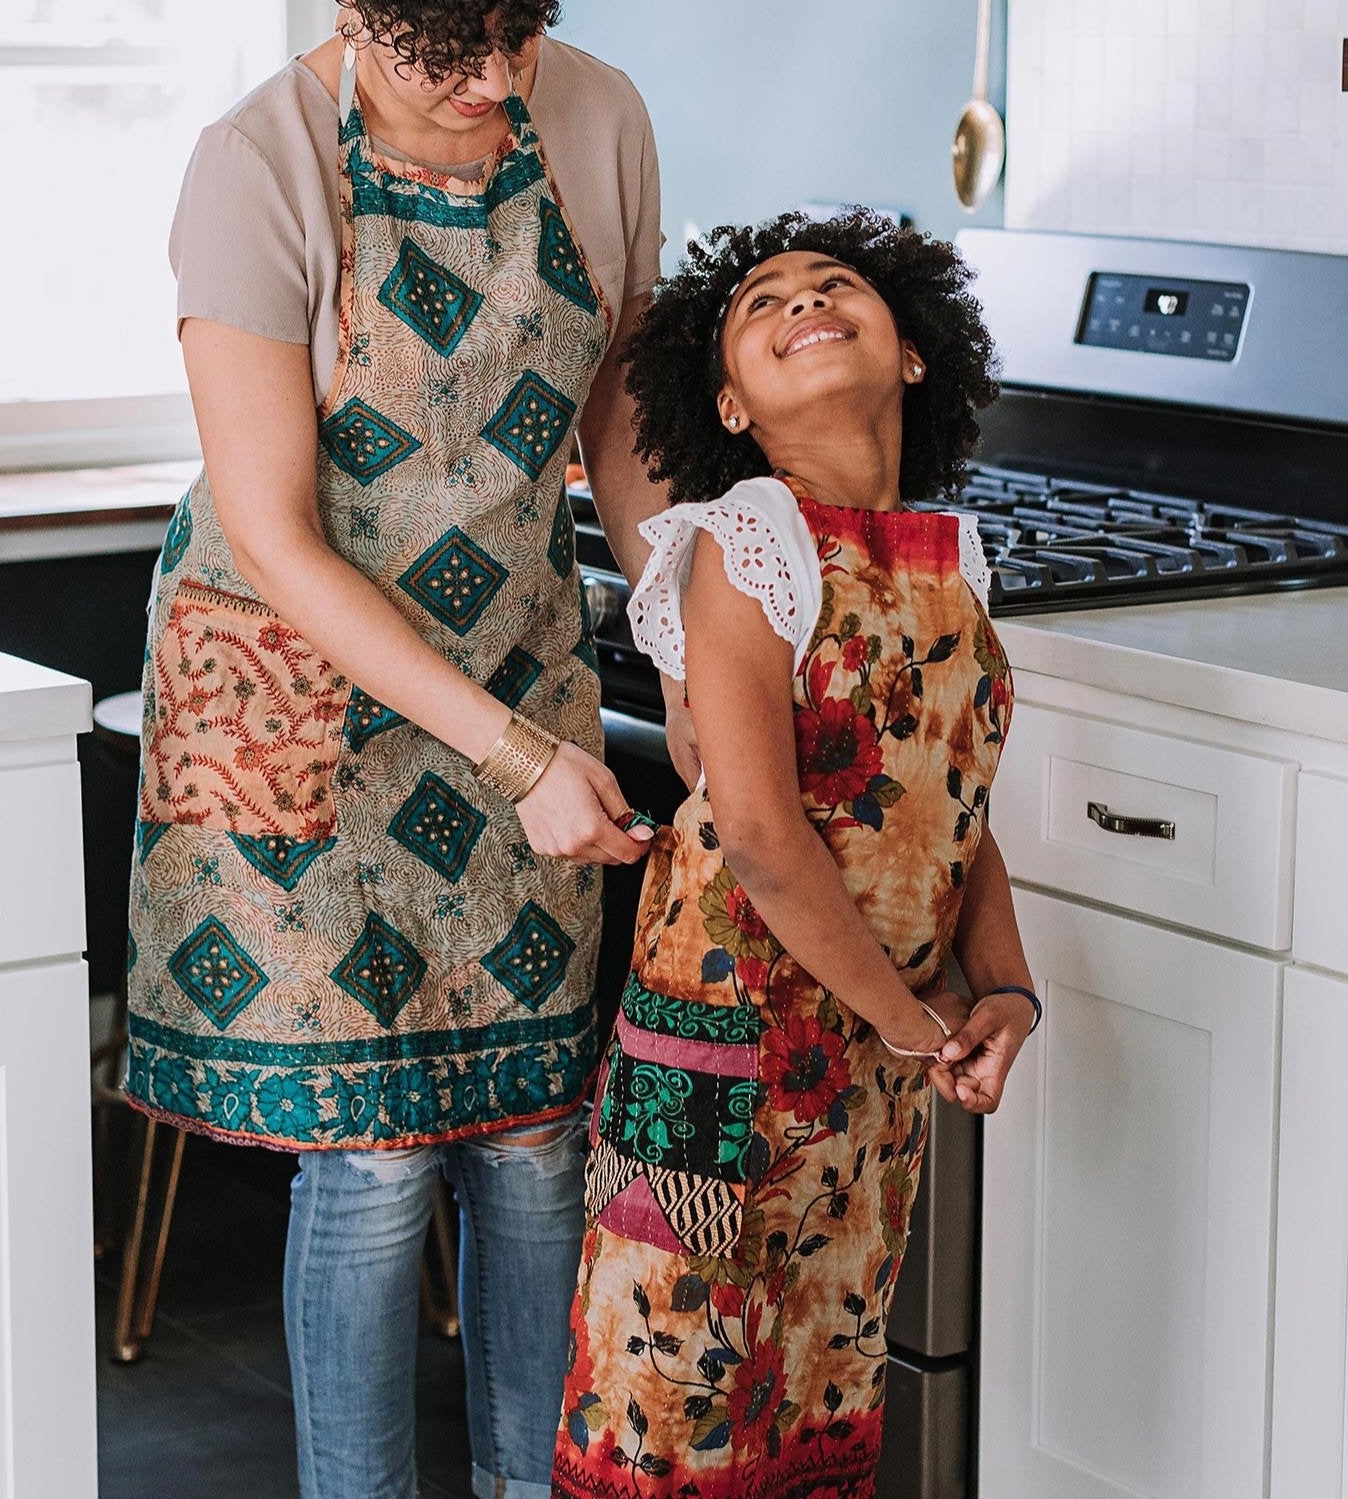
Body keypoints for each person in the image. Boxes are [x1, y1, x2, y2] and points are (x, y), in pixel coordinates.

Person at [123, 5, 694, 1496]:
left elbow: (623, 405)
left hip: (516, 652)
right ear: (356, 9)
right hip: (302, 690)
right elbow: (277, 535)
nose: (499, 82)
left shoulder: (601, 115)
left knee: (532, 1137)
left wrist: (680, 642)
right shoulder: (256, 165)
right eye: (450, 51)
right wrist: (517, 760)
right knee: (372, 1162)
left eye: (520, 32)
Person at [551, 210, 1040, 1499]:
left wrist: (1004, 989)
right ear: (727, 401)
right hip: (738, 1033)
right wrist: (918, 1027)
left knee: (819, 1390)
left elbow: (957, 803)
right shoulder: (750, 532)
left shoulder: (955, 555)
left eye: (837, 286)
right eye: (761, 304)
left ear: (915, 355)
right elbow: (762, 836)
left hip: (868, 1055)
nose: (805, 301)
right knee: (673, 1404)